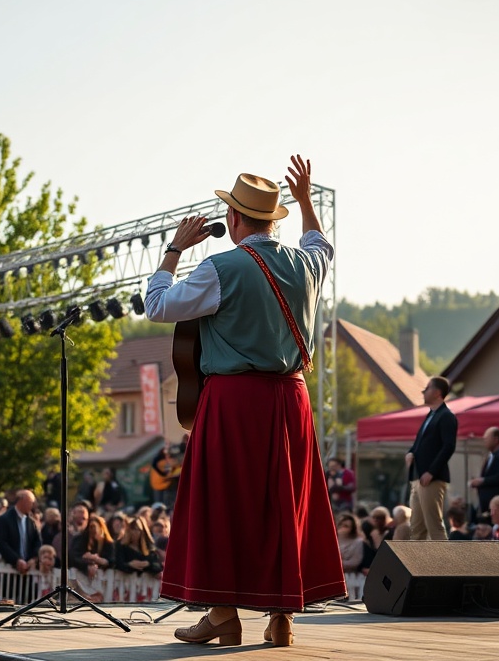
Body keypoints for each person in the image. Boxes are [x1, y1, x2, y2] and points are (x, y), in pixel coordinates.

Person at [143, 157, 343, 647]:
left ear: (233, 220)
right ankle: (281, 619)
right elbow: (322, 244)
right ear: (275, 221)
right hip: (291, 399)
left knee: (222, 505)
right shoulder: (307, 263)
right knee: (283, 503)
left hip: (234, 401)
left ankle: (222, 614)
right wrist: (305, 202)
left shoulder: (221, 267)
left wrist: (173, 249)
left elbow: (157, 306)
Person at [404, 376, 457, 541]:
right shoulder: (431, 415)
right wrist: (411, 452)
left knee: (434, 526)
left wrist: (431, 472)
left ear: (437, 392)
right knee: (417, 528)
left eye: (426, 388)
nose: (423, 392)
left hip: (430, 479)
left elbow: (448, 446)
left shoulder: (446, 416)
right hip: (419, 477)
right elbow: (420, 443)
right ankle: (416, 566)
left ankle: (443, 565)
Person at [68, 514, 114, 603]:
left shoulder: (108, 543)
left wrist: (98, 560)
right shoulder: (81, 539)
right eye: (91, 527)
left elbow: (112, 560)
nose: (93, 530)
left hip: (102, 577)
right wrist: (87, 565)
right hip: (83, 575)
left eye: (95, 527)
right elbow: (74, 557)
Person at [469, 427, 499, 514]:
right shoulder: (490, 457)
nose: (484, 441)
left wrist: (483, 481)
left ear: (496, 439)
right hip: (487, 505)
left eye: (487, 438)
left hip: (497, 506)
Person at [0, 489, 40, 575]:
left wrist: (33, 558)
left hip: (28, 569)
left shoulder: (31, 521)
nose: (32, 505)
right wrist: (16, 560)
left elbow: (37, 541)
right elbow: (1, 542)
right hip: (9, 569)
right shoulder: (4, 519)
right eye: (31, 502)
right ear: (22, 501)